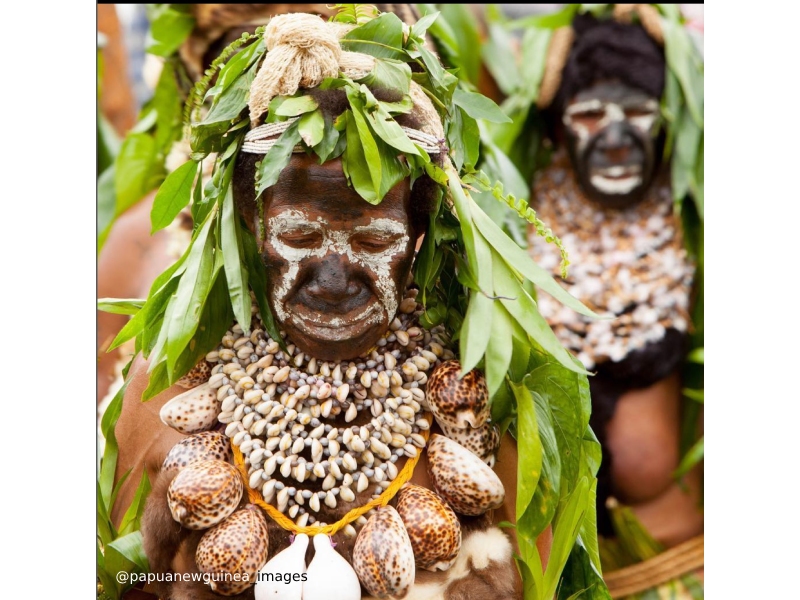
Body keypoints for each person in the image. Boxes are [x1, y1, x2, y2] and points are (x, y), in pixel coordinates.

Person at [106, 9, 597, 600]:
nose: (335, 279)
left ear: (421, 233)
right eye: (299, 236)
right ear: (248, 222)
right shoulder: (167, 386)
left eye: (373, 241)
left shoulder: (489, 395)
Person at [524, 5, 704, 598]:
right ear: (555, 128)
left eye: (636, 113)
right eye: (590, 114)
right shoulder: (517, 215)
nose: (617, 138)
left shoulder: (692, 222)